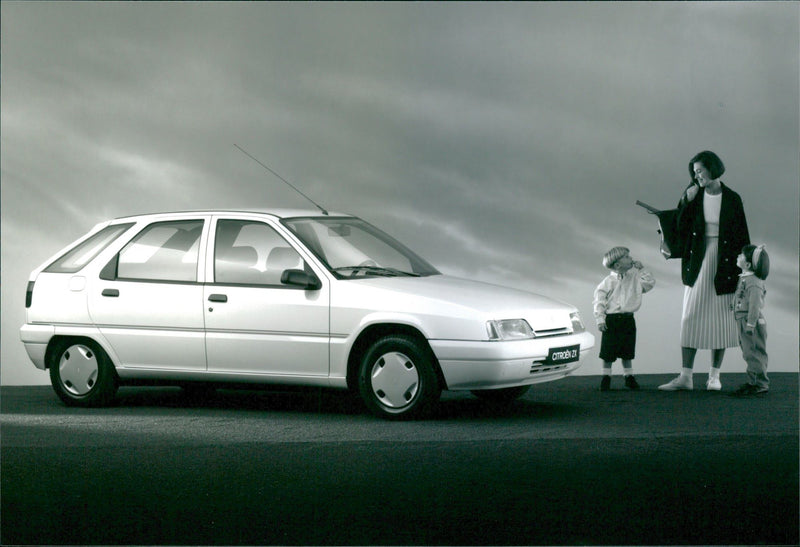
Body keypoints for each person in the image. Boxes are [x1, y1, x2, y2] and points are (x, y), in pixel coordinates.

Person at [659, 151, 750, 391]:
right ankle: (685, 377)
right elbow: (679, 229)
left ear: (713, 169)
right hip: (697, 260)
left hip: (726, 264)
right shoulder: (692, 195)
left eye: (700, 170)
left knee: (720, 320)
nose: (696, 175)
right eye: (694, 172)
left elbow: (743, 235)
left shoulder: (733, 198)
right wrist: (686, 202)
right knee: (690, 317)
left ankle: (714, 376)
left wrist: (746, 269)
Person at [593, 246, 656, 391]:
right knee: (608, 352)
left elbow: (649, 284)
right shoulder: (607, 282)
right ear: (617, 264)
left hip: (628, 320)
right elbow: (599, 301)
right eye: (627, 257)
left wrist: (642, 270)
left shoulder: (634, 278)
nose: (631, 258)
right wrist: (600, 319)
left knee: (627, 351)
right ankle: (606, 378)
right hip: (611, 320)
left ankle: (629, 377)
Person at [730, 244, 770, 396]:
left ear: (747, 264)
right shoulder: (746, 279)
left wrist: (751, 324)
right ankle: (753, 381)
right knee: (748, 352)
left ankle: (760, 383)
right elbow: (742, 297)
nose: (738, 257)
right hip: (742, 319)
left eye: (741, 256)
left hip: (749, 321)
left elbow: (754, 305)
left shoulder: (753, 282)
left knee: (753, 352)